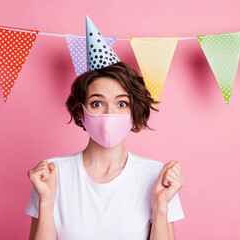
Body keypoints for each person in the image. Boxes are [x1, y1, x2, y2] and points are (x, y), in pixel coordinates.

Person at [25, 16, 185, 240]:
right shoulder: (52, 175)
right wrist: (46, 202)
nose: (109, 114)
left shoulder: (157, 177)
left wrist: (160, 206)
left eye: (121, 104)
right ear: (81, 111)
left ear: (133, 112)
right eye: (97, 103)